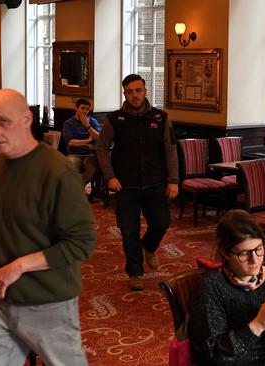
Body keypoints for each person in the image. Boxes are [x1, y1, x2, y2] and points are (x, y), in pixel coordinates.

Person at [0, 89, 96, 365]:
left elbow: (82, 242)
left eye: (4, 122)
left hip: (46, 302)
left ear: (27, 119)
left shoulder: (58, 172)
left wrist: (19, 266)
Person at [96, 74, 179, 291]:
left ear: (145, 90)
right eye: (130, 91)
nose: (134, 95)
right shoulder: (114, 120)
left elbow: (171, 151)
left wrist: (173, 180)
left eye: (138, 90)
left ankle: (149, 247)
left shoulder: (161, 118)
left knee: (161, 223)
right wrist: (110, 176)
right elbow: (101, 148)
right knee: (128, 230)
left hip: (156, 184)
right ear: (124, 93)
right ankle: (135, 272)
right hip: (125, 186)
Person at [188, 210, 265, 365]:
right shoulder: (211, 287)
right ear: (226, 253)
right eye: (244, 253)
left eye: (259, 249)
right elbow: (211, 355)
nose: (255, 260)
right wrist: (257, 326)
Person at [63, 97, 101, 185]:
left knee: (92, 168)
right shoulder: (69, 123)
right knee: (70, 167)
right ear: (76, 108)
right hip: (74, 154)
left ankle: (78, 189)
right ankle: (74, 191)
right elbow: (70, 142)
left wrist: (87, 125)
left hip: (90, 154)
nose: (85, 111)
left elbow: (98, 138)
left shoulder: (93, 121)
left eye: (87, 109)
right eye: (82, 108)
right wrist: (87, 140)